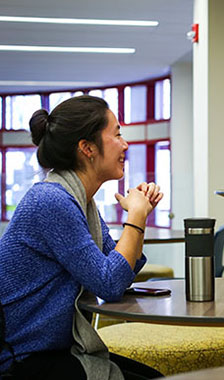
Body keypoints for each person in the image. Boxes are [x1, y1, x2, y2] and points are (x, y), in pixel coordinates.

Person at [0, 95, 164, 379]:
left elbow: (123, 269)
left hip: (57, 352)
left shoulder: (79, 201)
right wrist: (135, 217)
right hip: (26, 361)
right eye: (117, 134)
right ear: (87, 147)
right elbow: (110, 283)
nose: (125, 145)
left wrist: (141, 213)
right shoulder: (51, 201)